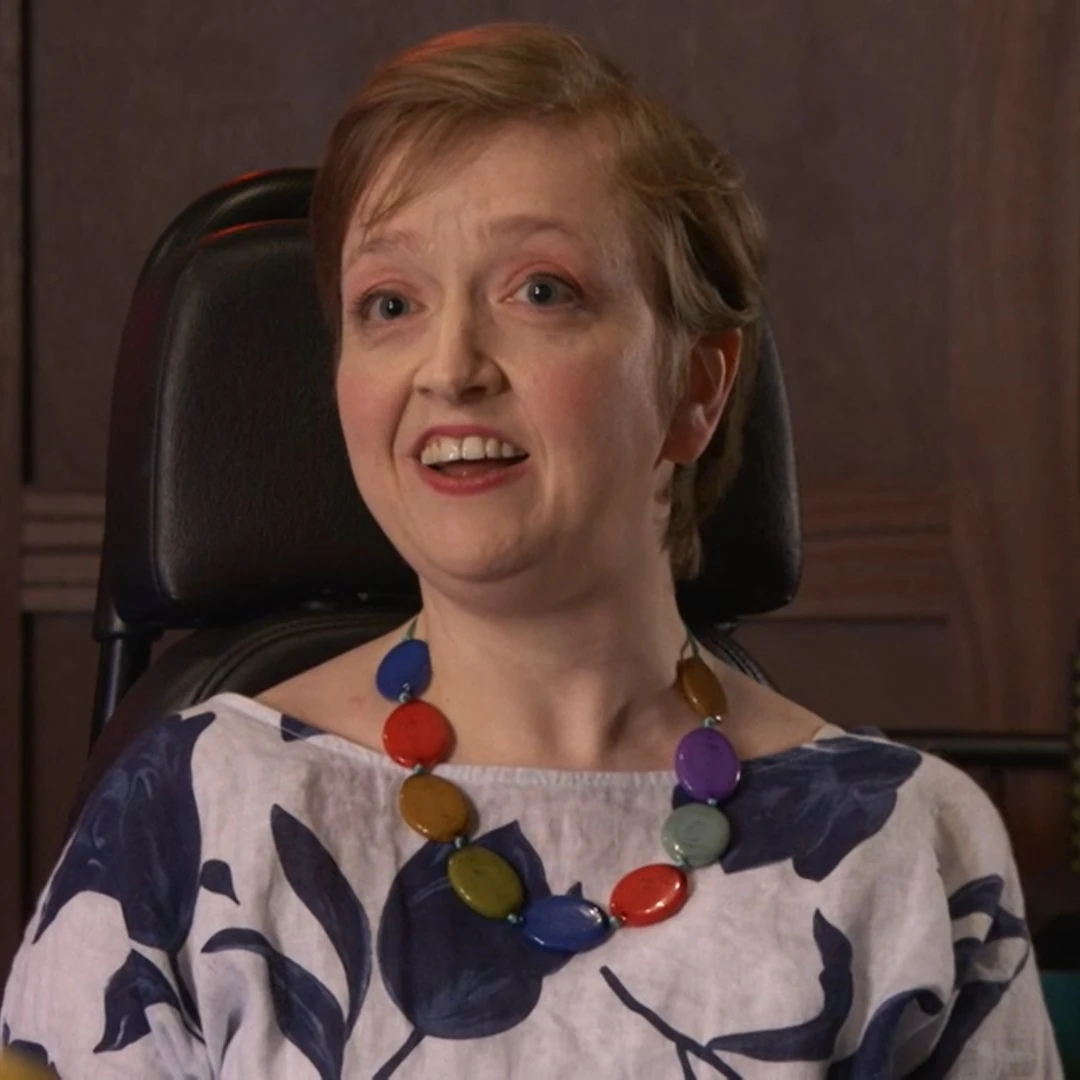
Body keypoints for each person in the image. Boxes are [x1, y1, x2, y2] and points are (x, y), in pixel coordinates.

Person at [0, 22, 1064, 1079]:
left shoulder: (912, 851)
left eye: (541, 290)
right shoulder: (186, 813)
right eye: (389, 304)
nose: (449, 366)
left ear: (694, 389)